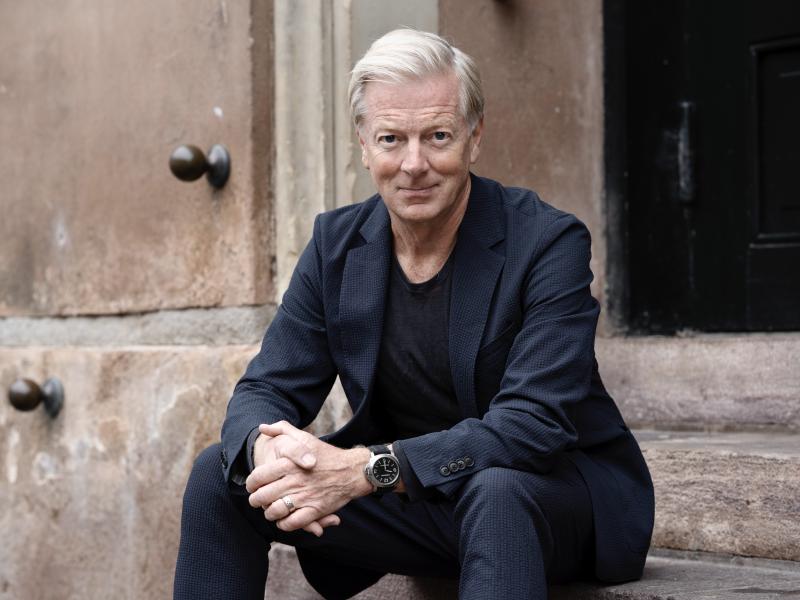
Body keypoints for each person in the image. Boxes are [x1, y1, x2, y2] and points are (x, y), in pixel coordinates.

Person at [174, 28, 654, 600]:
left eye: (438, 136)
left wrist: (362, 470)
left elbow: (532, 426)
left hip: (548, 497)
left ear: (475, 137)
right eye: (391, 139)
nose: (414, 163)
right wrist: (270, 451)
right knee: (221, 473)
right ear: (363, 144)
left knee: (495, 491)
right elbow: (266, 386)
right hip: (414, 499)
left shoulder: (546, 243)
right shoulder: (336, 245)